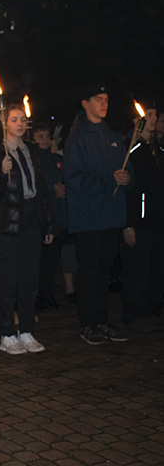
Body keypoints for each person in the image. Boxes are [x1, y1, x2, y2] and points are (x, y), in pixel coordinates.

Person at [0, 105, 57, 354]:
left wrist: (47, 222)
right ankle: (6, 333)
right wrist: (2, 173)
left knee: (28, 280)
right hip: (5, 225)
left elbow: (42, 189)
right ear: (5, 123)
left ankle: (26, 330)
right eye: (14, 119)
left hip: (30, 220)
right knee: (8, 281)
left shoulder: (31, 150)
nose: (20, 123)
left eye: (23, 119)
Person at [63, 86, 133, 345]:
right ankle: (89, 324)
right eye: (98, 100)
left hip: (111, 216)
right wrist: (107, 180)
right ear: (85, 103)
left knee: (105, 272)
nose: (104, 104)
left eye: (106, 100)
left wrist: (126, 178)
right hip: (89, 218)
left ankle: (102, 321)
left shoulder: (113, 136)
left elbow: (127, 171)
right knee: (90, 272)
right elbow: (73, 179)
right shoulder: (77, 140)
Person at [119, 103, 164, 332]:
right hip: (140, 221)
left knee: (155, 267)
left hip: (157, 220)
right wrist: (128, 224)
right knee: (137, 268)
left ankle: (151, 308)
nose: (154, 118)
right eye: (149, 115)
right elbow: (128, 191)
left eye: (156, 114)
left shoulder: (157, 149)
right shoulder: (131, 151)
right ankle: (134, 312)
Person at [31, 123, 72, 309]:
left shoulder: (56, 158)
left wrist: (64, 189)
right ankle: (38, 294)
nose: (45, 139)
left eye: (47, 135)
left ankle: (47, 292)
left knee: (52, 258)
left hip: (59, 214)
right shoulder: (34, 158)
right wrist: (51, 189)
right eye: (40, 136)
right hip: (43, 216)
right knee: (41, 258)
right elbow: (35, 185)